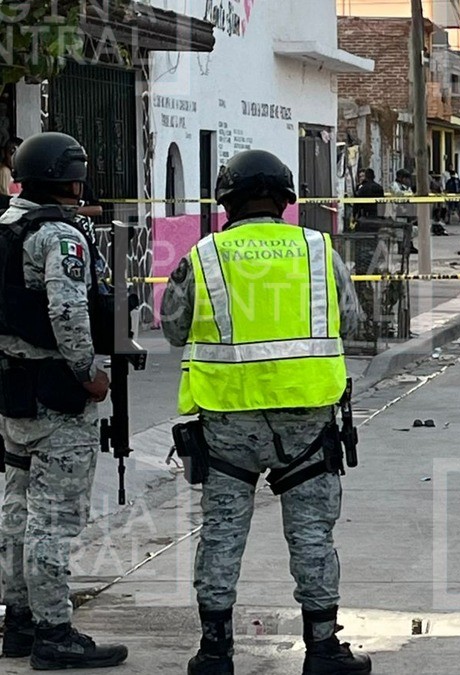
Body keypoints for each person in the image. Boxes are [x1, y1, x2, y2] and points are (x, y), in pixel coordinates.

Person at [160, 149, 370, 675]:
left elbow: (172, 328)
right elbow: (351, 319)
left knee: (222, 533)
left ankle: (214, 653)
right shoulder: (319, 250)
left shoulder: (204, 255)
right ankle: (322, 650)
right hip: (305, 421)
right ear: (284, 200)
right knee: (313, 535)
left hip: (227, 421)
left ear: (227, 201)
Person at [0, 132, 128, 668]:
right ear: (65, 178)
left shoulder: (4, 226)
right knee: (51, 519)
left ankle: (20, 623)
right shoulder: (59, 235)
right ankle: (54, 632)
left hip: (13, 391)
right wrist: (89, 373)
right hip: (57, 394)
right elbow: (69, 312)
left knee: (15, 509)